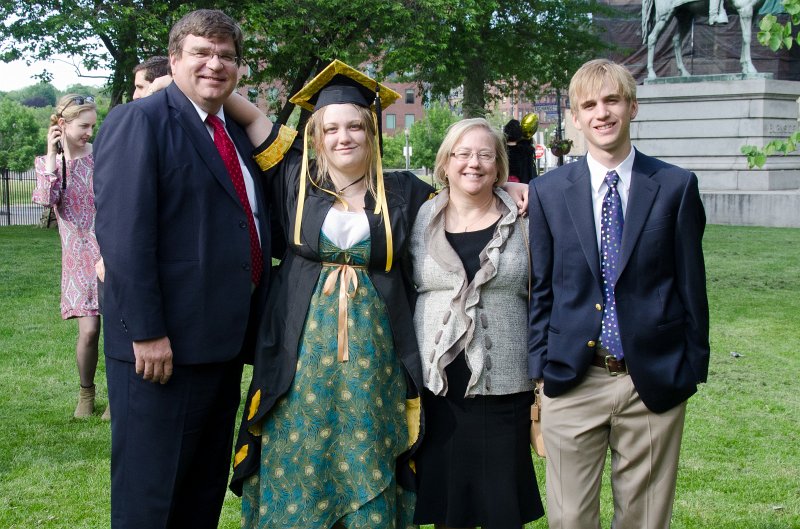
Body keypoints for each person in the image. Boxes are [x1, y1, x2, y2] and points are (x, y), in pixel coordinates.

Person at [224, 59, 432, 529]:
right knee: (298, 443)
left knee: (369, 443)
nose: (345, 137)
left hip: (375, 358)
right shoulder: (296, 180)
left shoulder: (404, 192)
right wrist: (191, 83)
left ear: (372, 131)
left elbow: (467, 196)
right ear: (316, 136)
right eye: (332, 128)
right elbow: (254, 117)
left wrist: (513, 188)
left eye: (356, 126)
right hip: (298, 353)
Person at [92, 9, 277, 529]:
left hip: (220, 346)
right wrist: (147, 333)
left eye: (226, 56)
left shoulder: (232, 133)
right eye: (201, 52)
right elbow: (124, 238)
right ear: (173, 60)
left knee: (199, 491)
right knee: (151, 497)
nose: (215, 64)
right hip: (160, 352)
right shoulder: (140, 122)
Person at [528, 58, 709, 529]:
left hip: (650, 377)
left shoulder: (674, 186)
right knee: (569, 519)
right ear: (574, 117)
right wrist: (540, 375)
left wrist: (690, 365)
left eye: (612, 100)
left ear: (632, 106)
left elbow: (692, 283)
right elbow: (541, 287)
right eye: (589, 104)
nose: (601, 113)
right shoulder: (548, 191)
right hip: (572, 378)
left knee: (644, 519)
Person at [410, 118, 544, 529]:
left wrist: (528, 189)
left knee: (502, 509)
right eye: (463, 154)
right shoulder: (419, 216)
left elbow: (545, 294)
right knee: (450, 510)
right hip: (439, 390)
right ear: (445, 163)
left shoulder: (526, 219)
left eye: (485, 154)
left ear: (500, 165)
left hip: (503, 388)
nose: (474, 163)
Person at [32, 94, 104, 419]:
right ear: (62, 125)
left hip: (112, 252)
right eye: (83, 125)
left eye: (93, 125)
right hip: (77, 259)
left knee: (121, 329)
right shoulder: (48, 164)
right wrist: (51, 155)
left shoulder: (102, 157)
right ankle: (86, 393)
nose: (90, 131)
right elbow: (46, 200)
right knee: (88, 332)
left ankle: (119, 394)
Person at [503, 118, 534, 184]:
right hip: (523, 185)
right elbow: (530, 171)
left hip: (504, 185)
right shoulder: (526, 150)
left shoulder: (501, 150)